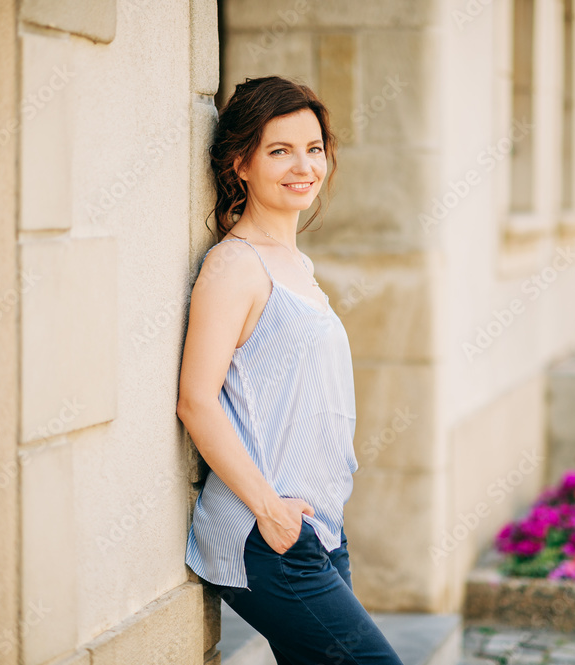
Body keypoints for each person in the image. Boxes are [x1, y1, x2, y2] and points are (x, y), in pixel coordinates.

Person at [177, 76, 403, 664]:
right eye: (280, 150)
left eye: (314, 148)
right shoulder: (234, 266)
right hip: (266, 535)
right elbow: (196, 401)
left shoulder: (295, 264)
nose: (303, 165)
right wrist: (270, 511)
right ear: (240, 164)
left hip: (317, 529)